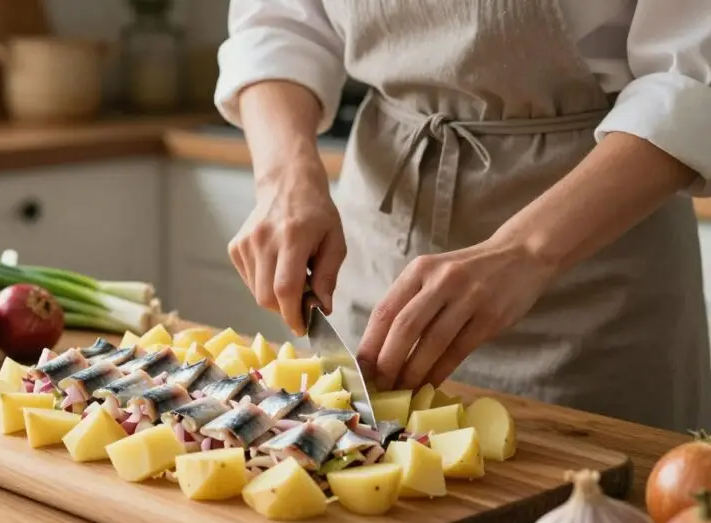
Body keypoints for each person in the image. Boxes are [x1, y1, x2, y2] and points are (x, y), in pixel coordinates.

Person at [214, 0, 711, 432]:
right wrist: (284, 177)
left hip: (597, 267)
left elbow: (689, 83)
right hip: (376, 249)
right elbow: (277, 22)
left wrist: (526, 252)